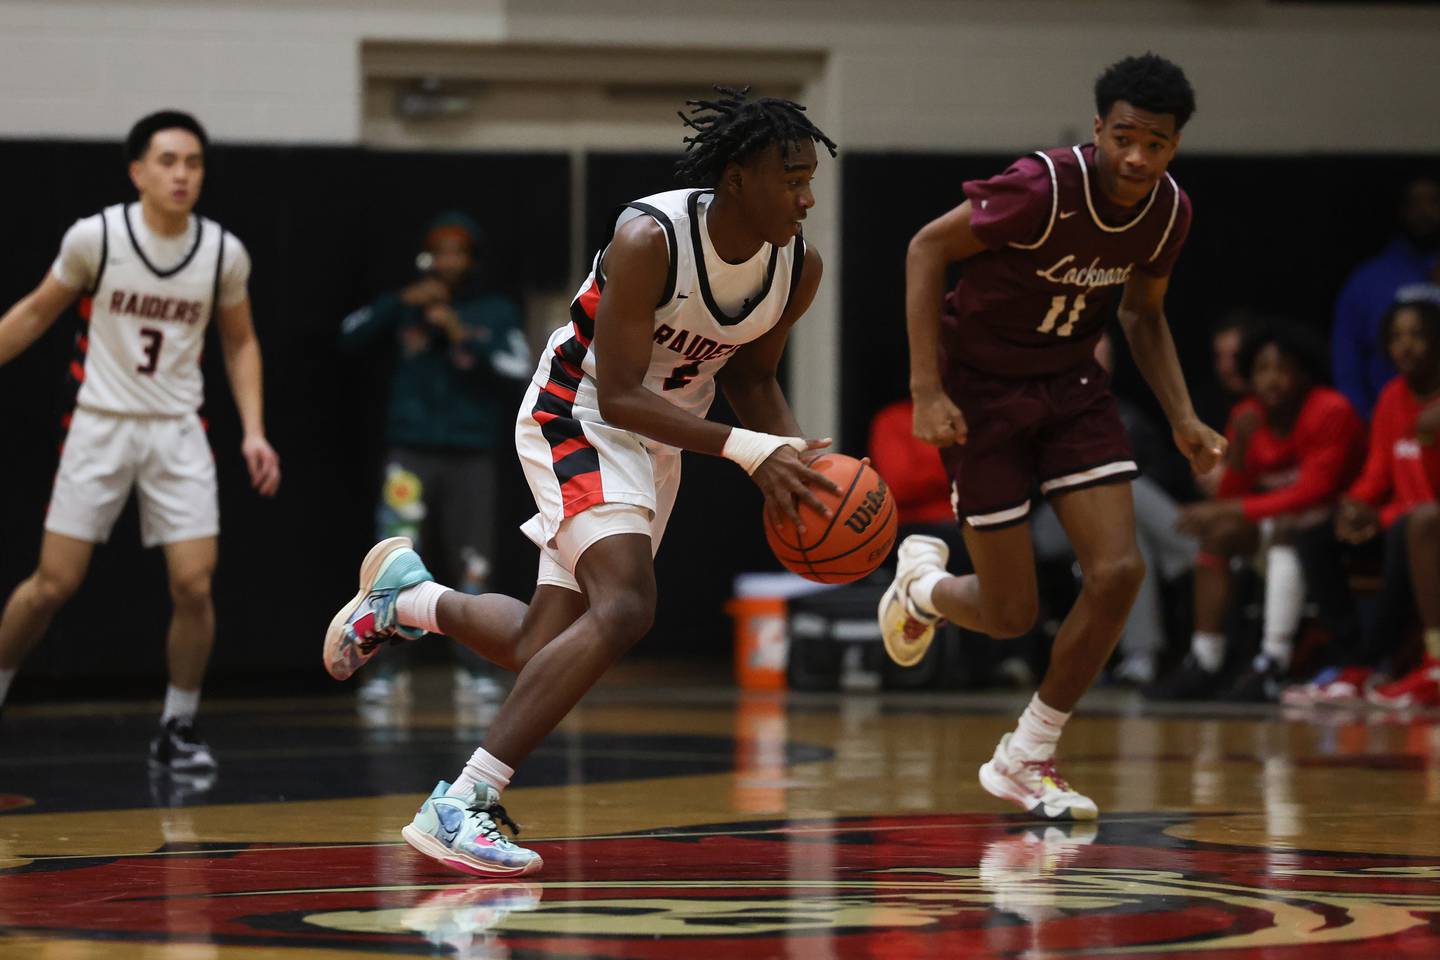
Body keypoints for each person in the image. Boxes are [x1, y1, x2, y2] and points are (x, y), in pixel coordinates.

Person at [323, 87, 838, 876]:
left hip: (662, 440)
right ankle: (462, 801)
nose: (807, 197)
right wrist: (746, 452)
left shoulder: (797, 267)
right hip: (581, 414)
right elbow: (625, 392)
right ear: (738, 178)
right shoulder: (650, 236)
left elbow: (755, 377)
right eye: (791, 178)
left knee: (540, 642)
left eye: (811, 179)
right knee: (627, 606)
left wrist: (793, 458)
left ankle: (408, 598)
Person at [880, 54, 1224, 821]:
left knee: (1119, 572)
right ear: (1100, 128)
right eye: (1125, 137)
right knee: (1008, 613)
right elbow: (925, 249)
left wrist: (1183, 416)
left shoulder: (1168, 211)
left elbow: (1141, 314)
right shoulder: (1042, 187)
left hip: (1071, 389)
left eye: (1157, 144)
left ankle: (1028, 753)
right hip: (981, 393)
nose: (1138, 157)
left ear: (1174, 146)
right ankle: (924, 589)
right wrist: (926, 389)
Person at [0, 111, 281, 770]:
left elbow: (239, 341)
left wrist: (254, 432)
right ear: (137, 171)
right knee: (50, 585)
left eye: (193, 162)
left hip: (178, 430)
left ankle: (176, 727)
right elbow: (36, 312)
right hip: (100, 421)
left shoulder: (221, 253)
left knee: (195, 586)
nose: (182, 174)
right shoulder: (96, 238)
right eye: (168, 161)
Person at [340, 212, 530, 706]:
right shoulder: (408, 303)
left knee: (474, 566)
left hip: (471, 455)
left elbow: (519, 367)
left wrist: (459, 331)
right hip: (410, 454)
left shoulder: (494, 310)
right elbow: (349, 337)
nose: (447, 259)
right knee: (393, 564)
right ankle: (385, 672)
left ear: (471, 259)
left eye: (457, 250)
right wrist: (399, 303)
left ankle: (476, 671)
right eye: (439, 250)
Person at [1156, 321, 1365, 702]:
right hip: (1279, 527)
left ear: (1303, 373)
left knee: (1287, 528)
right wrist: (1239, 451)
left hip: (1336, 534)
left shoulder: (1331, 410)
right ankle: (1205, 659)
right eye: (1263, 369)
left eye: (1282, 368)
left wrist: (1231, 508)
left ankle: (1273, 661)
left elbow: (1313, 493)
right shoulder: (1247, 416)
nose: (1272, 380)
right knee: (1219, 536)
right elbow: (1232, 494)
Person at [1286, 295, 1440, 707]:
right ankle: (1352, 658)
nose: (1405, 346)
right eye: (1396, 337)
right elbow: (1377, 473)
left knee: (1405, 531)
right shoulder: (1392, 396)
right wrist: (1354, 507)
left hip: (1425, 525)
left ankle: (1379, 664)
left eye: (1418, 336)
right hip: (1400, 519)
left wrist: (1384, 515)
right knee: (1314, 537)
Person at [1029, 330, 1199, 687]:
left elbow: (1165, 469)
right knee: (1124, 493)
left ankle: (1141, 657)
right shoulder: (1043, 407)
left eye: (1105, 353)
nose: (1098, 360)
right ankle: (1191, 549)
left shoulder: (1126, 413)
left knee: (1128, 530)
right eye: (1090, 351)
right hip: (1051, 520)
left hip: (1114, 518)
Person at [1332, 176, 1440, 419]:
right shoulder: (1369, 280)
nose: (1425, 212)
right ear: (1402, 211)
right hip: (1389, 419)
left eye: (1434, 202)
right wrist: (1364, 420)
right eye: (1416, 203)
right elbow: (1348, 363)